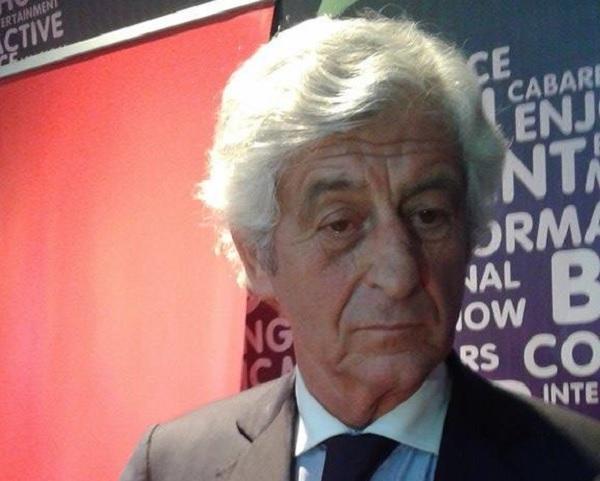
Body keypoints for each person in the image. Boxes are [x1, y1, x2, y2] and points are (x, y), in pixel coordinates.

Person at [120, 15, 600, 481]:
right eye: (340, 224)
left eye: (428, 215)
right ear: (258, 257)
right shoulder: (169, 466)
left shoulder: (581, 465)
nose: (398, 275)